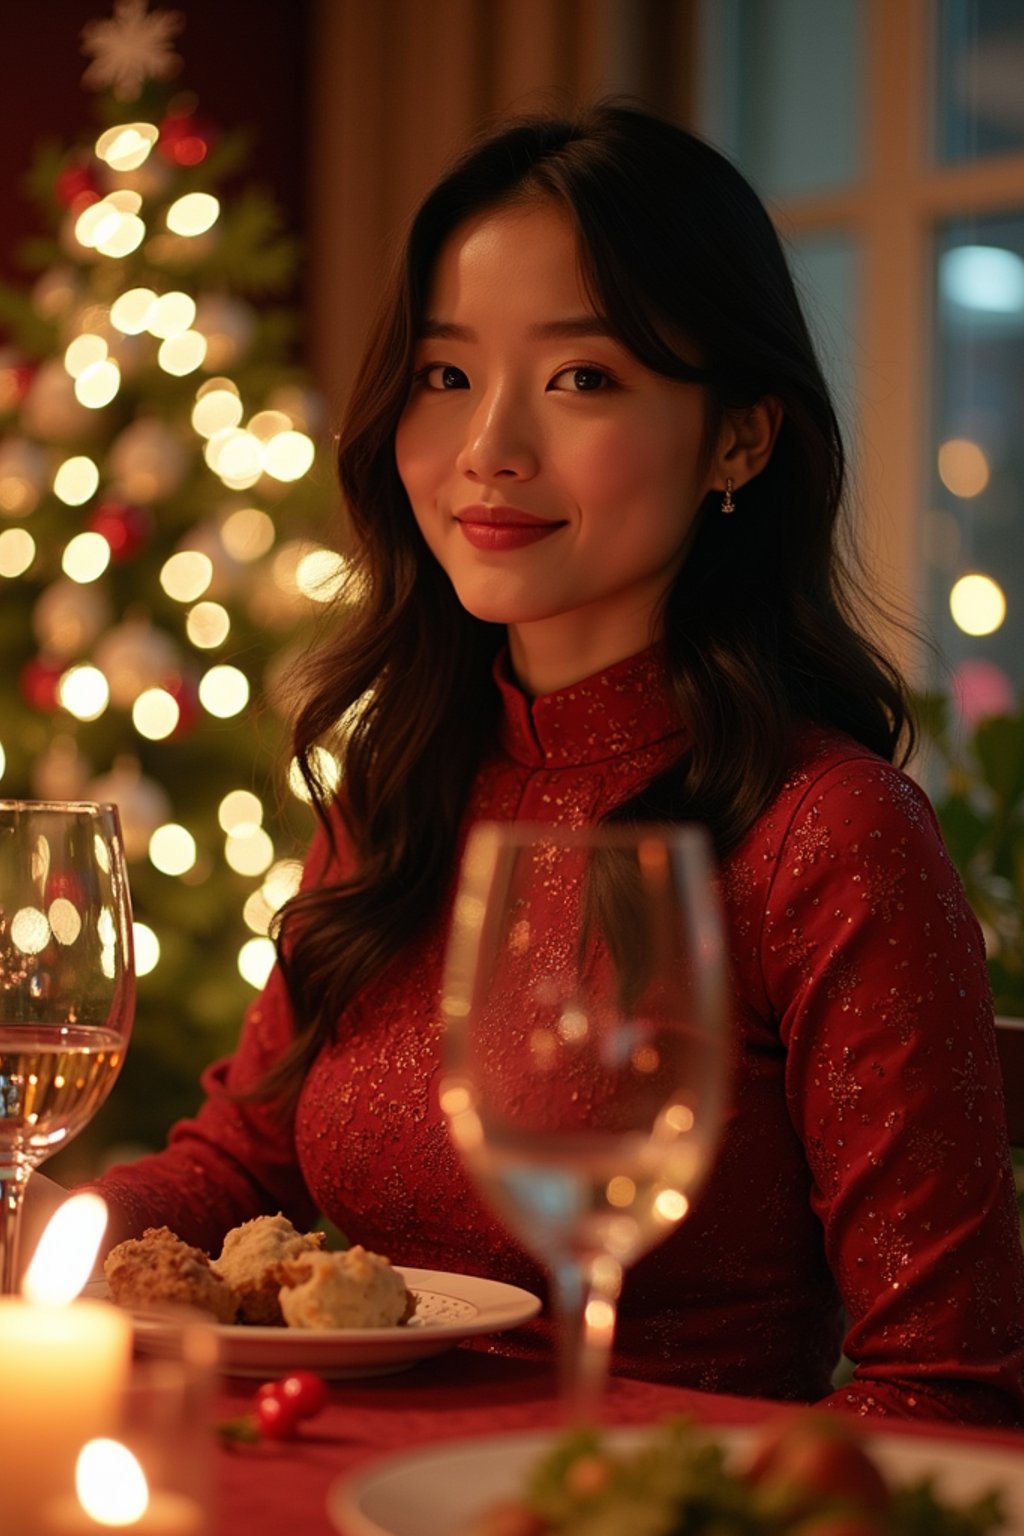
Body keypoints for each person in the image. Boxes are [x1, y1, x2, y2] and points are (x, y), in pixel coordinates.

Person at [62, 101, 1024, 1423]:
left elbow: (949, 1389)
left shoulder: (829, 833)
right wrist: (47, 1228)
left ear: (740, 437)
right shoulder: (401, 787)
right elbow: (241, 1166)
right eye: (446, 375)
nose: (487, 450)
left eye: (581, 378)